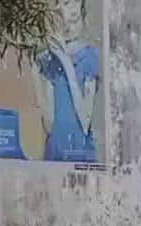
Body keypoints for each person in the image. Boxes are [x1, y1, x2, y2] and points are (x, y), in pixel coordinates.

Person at [34, 0, 100, 163]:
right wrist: (36, 72)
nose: (71, 9)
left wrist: (66, 63)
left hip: (79, 152)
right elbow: (49, 123)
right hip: (55, 151)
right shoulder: (50, 59)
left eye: (73, 2)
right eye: (64, 3)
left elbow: (85, 121)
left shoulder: (89, 56)